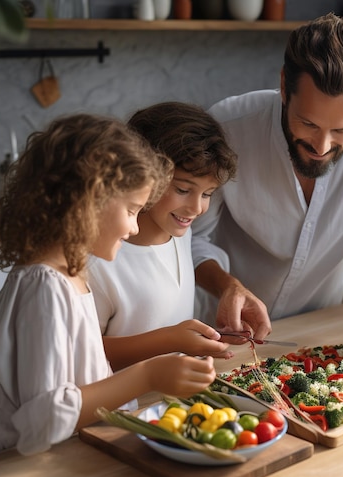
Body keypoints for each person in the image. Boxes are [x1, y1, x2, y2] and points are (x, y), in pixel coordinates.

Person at [0, 114, 217, 459]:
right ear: (88, 202)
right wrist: (147, 376)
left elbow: (80, 376)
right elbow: (43, 420)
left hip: (57, 457)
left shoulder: (70, 271)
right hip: (9, 467)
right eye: (132, 210)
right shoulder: (44, 287)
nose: (133, 227)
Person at [192, 13, 343, 361]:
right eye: (308, 123)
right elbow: (191, 238)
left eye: (341, 131)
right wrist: (227, 285)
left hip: (317, 333)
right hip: (221, 336)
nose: (321, 146)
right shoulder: (228, 129)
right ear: (285, 86)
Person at [87, 102, 269, 372]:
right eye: (183, 189)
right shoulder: (100, 259)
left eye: (207, 194)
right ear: (141, 175)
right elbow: (85, 352)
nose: (197, 208)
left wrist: (203, 339)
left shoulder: (180, 234)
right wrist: (171, 341)